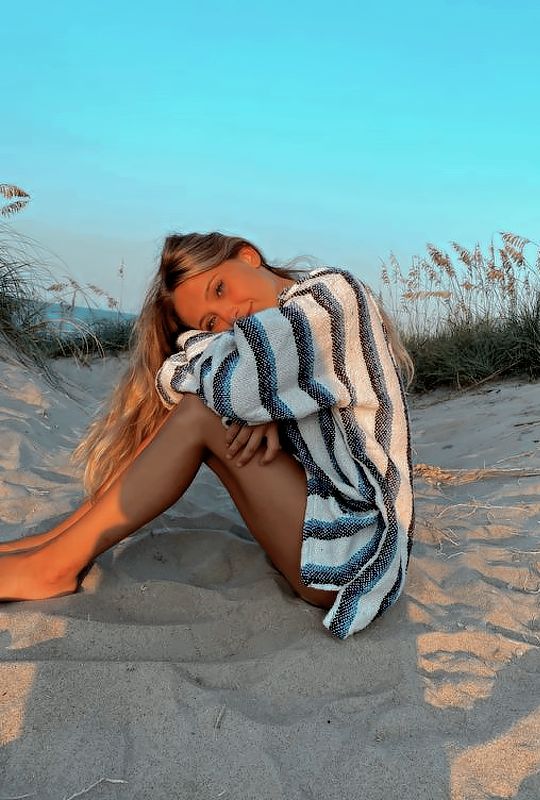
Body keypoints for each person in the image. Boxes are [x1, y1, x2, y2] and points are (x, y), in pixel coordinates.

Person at [0, 232, 414, 639]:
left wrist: (258, 397)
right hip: (318, 529)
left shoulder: (331, 293)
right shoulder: (273, 338)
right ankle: (52, 543)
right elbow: (193, 378)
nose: (231, 316)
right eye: (211, 324)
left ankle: (54, 566)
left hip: (357, 550)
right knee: (201, 405)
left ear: (248, 256)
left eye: (220, 288)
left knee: (201, 411)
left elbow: (229, 384)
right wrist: (262, 401)